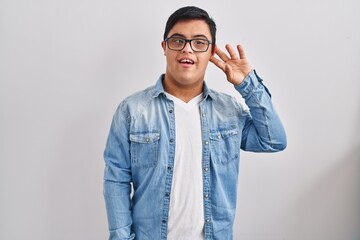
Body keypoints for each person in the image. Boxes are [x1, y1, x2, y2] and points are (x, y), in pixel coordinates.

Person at [103, 6, 286, 240]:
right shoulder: (132, 110)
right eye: (178, 41)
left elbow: (274, 141)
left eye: (199, 42)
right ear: (164, 47)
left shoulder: (229, 111)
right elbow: (116, 179)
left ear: (211, 52)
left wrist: (248, 85)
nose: (187, 49)